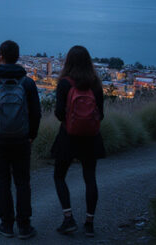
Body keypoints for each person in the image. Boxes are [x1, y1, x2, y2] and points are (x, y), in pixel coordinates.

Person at [0, 40, 42, 240]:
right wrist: (32, 135)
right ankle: (24, 226)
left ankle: (6, 224)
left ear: (0, 56)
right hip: (22, 139)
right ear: (18, 57)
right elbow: (36, 113)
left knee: (2, 182)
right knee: (23, 181)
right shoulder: (28, 83)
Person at [51, 45, 105, 237]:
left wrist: (70, 121)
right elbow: (101, 114)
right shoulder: (96, 84)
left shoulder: (65, 84)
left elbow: (58, 112)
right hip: (91, 138)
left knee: (59, 176)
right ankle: (89, 223)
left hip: (68, 136)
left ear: (68, 62)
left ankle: (68, 218)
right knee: (90, 178)